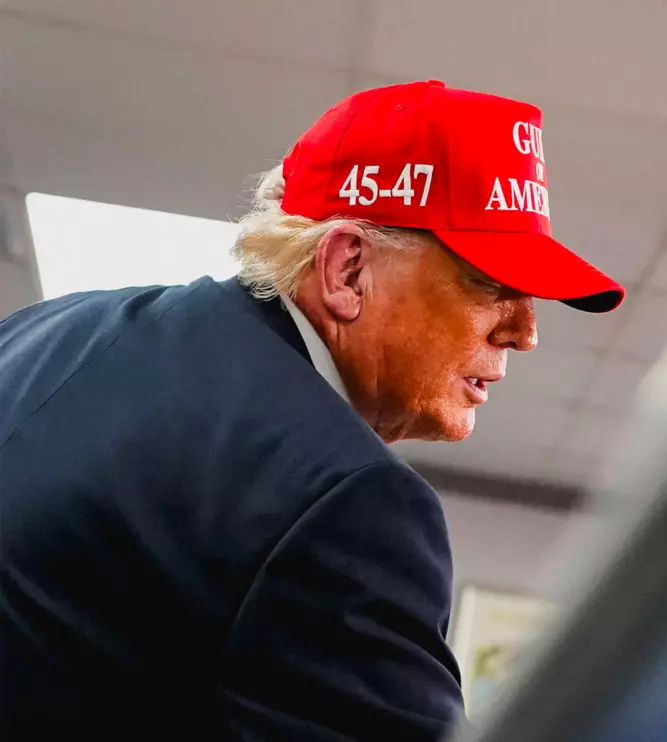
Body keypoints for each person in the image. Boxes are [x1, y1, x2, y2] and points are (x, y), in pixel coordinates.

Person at [0, 80, 623, 741]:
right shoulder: (345, 500)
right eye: (490, 284)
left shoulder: (53, 327)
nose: (525, 332)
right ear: (347, 270)